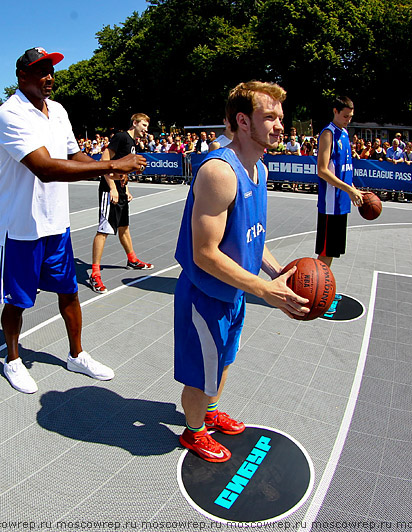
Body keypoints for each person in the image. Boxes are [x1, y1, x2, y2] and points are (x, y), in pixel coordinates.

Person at [0, 46, 146, 394]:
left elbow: (74, 155)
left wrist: (108, 174)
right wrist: (112, 165)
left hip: (56, 223)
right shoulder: (10, 114)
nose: (49, 77)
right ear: (22, 76)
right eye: (41, 70)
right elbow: (45, 168)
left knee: (69, 292)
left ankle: (77, 354)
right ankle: (12, 360)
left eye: (52, 70)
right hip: (20, 227)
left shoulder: (58, 111)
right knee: (17, 300)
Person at [174, 81, 309, 462]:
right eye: (270, 117)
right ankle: (194, 430)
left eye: (281, 117)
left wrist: (277, 271)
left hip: (235, 291)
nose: (281, 125)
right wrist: (264, 290)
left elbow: (252, 236)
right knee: (202, 373)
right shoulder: (220, 172)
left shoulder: (260, 170)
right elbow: (204, 254)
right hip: (206, 295)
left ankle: (210, 412)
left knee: (225, 359)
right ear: (243, 121)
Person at [90, 113, 154, 293]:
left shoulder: (132, 143)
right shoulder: (121, 137)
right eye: (143, 125)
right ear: (134, 123)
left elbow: (123, 169)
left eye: (147, 127)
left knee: (124, 227)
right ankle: (95, 273)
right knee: (104, 230)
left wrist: (125, 188)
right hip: (109, 189)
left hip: (120, 189)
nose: (145, 129)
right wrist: (112, 187)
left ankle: (132, 259)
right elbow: (104, 160)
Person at [316, 96, 363, 269]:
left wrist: (353, 189)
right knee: (326, 251)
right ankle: (317, 290)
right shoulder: (328, 134)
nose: (348, 120)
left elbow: (344, 169)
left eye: (350, 117)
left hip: (341, 201)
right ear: (335, 111)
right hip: (331, 203)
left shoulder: (344, 134)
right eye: (345, 116)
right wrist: (348, 189)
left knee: (333, 251)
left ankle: (323, 288)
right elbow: (322, 170)